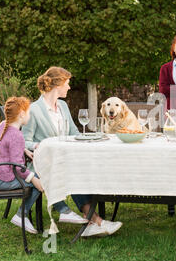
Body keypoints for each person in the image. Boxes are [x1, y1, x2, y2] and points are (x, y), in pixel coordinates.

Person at [22, 66, 122, 237]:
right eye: (67, 83)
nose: (69, 87)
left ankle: (91, 220)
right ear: (57, 84)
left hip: (66, 158)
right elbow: (24, 140)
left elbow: (74, 133)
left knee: (84, 167)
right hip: (44, 163)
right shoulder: (34, 109)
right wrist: (38, 145)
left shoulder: (62, 106)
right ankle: (95, 220)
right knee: (74, 169)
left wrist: (93, 137)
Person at [0, 97, 43, 234]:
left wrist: (24, 149)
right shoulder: (17, 135)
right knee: (39, 181)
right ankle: (21, 215)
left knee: (36, 179)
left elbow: (7, 145)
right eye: (29, 112)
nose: (30, 116)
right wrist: (34, 179)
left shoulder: (3, 125)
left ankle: (22, 214)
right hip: (4, 181)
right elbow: (18, 167)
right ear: (21, 114)